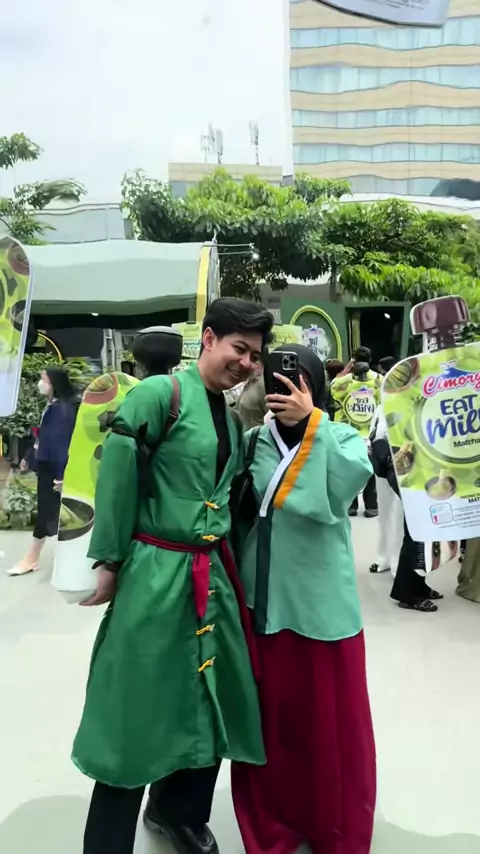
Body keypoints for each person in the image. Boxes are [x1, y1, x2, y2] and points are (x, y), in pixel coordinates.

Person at [73, 298, 273, 854]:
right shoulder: (161, 395)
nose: (246, 363)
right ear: (208, 339)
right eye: (239, 348)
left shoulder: (228, 415)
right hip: (156, 571)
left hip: (212, 578)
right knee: (134, 706)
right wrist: (110, 561)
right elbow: (118, 474)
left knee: (209, 698)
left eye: (254, 356)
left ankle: (178, 813)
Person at [231, 344, 376, 854]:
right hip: (263, 602)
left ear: (316, 385)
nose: (287, 389)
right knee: (274, 724)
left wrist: (312, 419)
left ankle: (333, 828)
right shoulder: (251, 442)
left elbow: (347, 482)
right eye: (278, 380)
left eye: (299, 379)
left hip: (321, 609)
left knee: (329, 729)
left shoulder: (340, 436)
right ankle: (274, 821)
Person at [6, 367, 77, 576]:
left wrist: (61, 475)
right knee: (50, 513)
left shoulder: (61, 410)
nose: (40, 383)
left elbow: (61, 445)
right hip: (48, 468)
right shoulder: (54, 406)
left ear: (53, 383)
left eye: (43, 379)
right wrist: (29, 457)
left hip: (53, 471)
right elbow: (43, 438)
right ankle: (39, 558)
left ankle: (32, 559)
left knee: (49, 513)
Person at [330, 356, 382, 518]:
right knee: (364, 471)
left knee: (357, 471)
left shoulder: (345, 384)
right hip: (357, 433)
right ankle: (369, 506)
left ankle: (357, 505)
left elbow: (333, 388)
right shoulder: (378, 381)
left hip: (358, 433)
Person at [368, 402, 403, 575]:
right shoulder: (382, 404)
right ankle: (384, 558)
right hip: (382, 462)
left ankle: (397, 562)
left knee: (398, 514)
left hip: (403, 462)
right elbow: (374, 431)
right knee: (384, 512)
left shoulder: (409, 400)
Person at [235, 348, 268, 429]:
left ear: (257, 363)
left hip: (256, 435)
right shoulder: (250, 381)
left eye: (253, 359)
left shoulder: (264, 384)